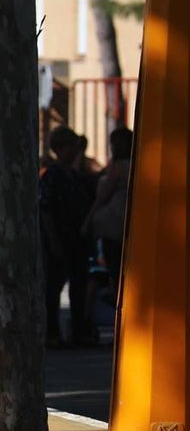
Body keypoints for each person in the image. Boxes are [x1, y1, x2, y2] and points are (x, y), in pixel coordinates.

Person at [40, 125, 95, 348]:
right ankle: (52, 332)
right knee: (54, 287)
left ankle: (78, 329)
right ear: (60, 149)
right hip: (60, 237)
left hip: (76, 237)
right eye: (70, 146)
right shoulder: (53, 174)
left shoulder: (74, 173)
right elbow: (45, 209)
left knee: (78, 285)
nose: (74, 151)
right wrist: (52, 239)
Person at [83, 126, 132, 318]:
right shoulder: (136, 164)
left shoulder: (119, 167)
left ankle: (88, 317)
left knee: (104, 271)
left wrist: (87, 221)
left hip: (111, 225)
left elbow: (103, 196)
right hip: (126, 225)